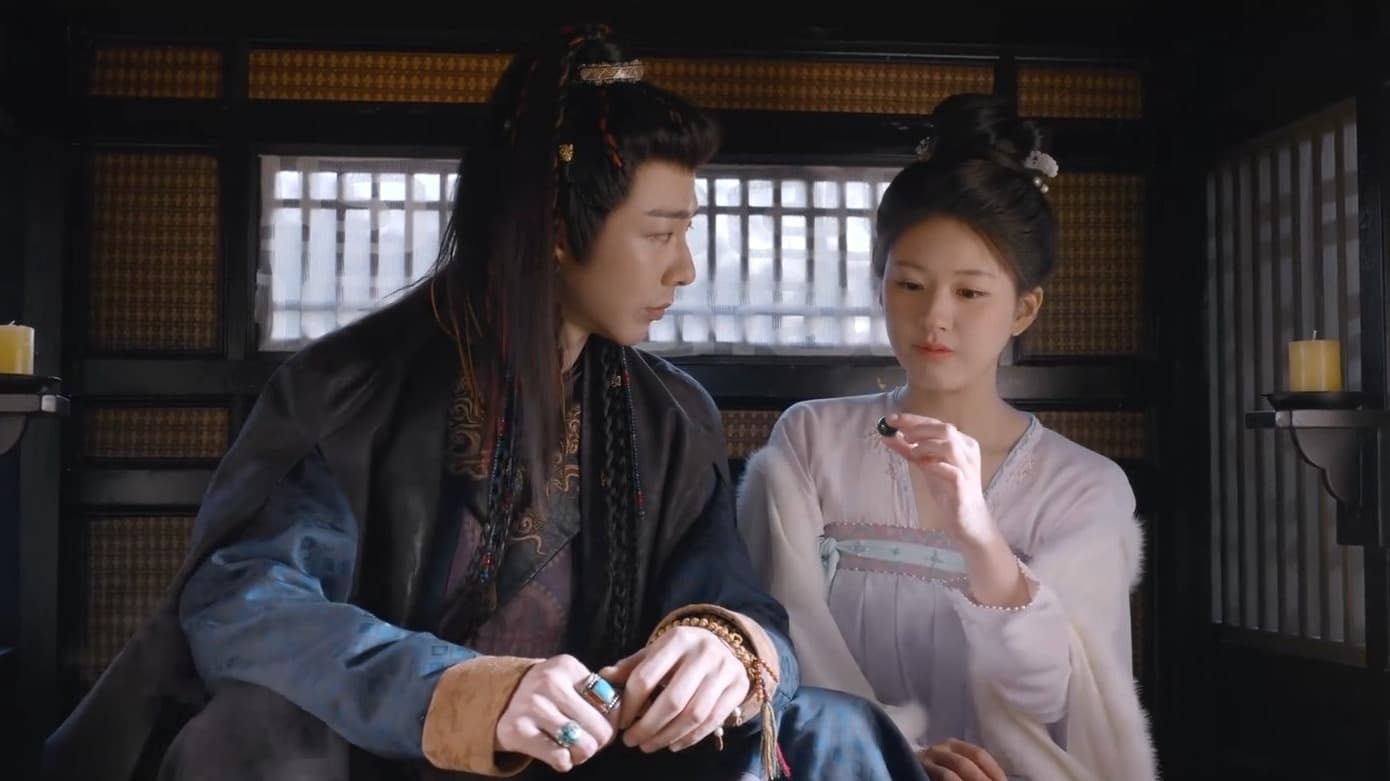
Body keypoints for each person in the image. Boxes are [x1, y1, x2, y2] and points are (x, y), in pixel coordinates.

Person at [41, 23, 930, 781]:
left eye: (685, 233)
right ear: (557, 227)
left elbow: (729, 594)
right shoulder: (350, 391)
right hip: (383, 752)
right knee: (257, 730)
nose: (684, 269)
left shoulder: (671, 416)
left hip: (592, 755)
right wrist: (464, 692)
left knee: (829, 730)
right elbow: (248, 601)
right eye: (660, 233)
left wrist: (724, 646)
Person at [735, 93, 1158, 781]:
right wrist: (891, 753)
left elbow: (1053, 697)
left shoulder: (1085, 487)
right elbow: (783, 636)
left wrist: (981, 536)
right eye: (910, 284)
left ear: (1024, 309)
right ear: (880, 285)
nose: (934, 316)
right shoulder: (811, 440)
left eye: (969, 292)